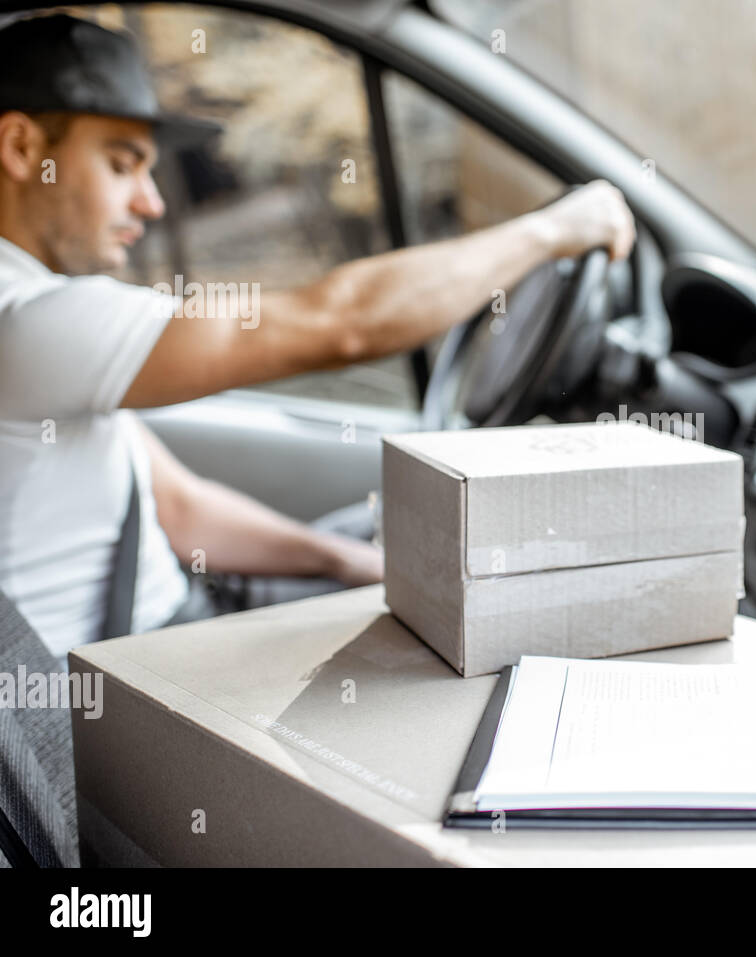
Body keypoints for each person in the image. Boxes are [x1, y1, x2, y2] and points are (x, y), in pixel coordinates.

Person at [0, 14, 637, 662]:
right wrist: (552, 231)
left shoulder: (43, 326)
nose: (151, 203)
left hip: (189, 609)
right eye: (121, 166)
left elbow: (178, 508)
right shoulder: (26, 321)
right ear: (22, 148)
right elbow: (343, 323)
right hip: (135, 668)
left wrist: (345, 563)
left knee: (415, 536)